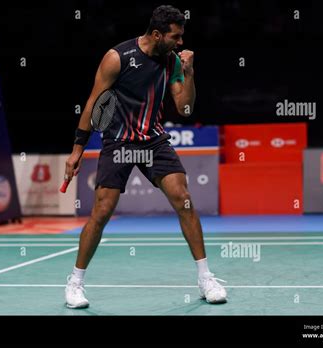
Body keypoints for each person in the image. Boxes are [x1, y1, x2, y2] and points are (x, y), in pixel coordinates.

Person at [64, 5, 227, 309]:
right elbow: (92, 104)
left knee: (184, 198)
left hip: (153, 140)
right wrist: (77, 150)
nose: (180, 43)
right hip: (119, 141)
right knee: (101, 211)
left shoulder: (172, 62)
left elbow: (185, 108)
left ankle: (206, 278)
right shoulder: (118, 58)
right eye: (175, 37)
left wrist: (189, 73)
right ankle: (75, 282)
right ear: (156, 34)